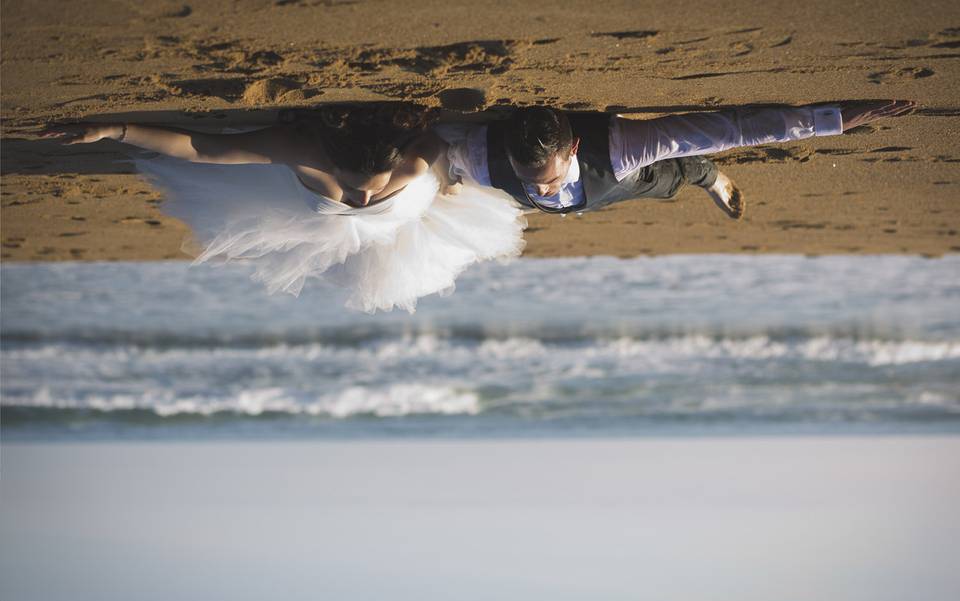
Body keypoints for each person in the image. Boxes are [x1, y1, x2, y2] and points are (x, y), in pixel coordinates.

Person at [41, 105, 526, 313]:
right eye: (357, 189)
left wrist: (444, 191)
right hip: (333, 225)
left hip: (403, 221)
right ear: (333, 160)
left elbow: (451, 167)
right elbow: (202, 149)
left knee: (377, 272)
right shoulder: (303, 151)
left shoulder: (420, 159)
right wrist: (114, 129)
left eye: (371, 189)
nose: (359, 200)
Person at [441, 100, 916, 219]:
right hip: (593, 196)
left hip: (617, 174)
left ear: (574, 150)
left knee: (669, 178)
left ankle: (709, 179)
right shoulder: (482, 156)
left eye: (547, 179)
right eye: (531, 180)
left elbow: (730, 128)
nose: (538, 189)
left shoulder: (621, 145)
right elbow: (434, 153)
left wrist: (831, 120)